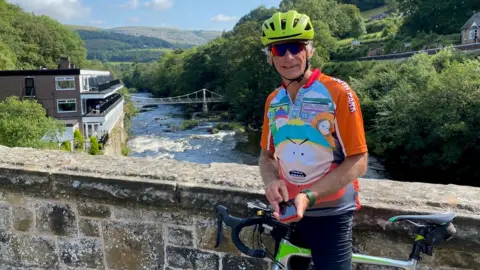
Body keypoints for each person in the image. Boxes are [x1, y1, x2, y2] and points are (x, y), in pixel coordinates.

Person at [258, 10, 369, 269]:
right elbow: (266, 157)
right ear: (270, 56)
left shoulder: (338, 92)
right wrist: (272, 180)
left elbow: (359, 159)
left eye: (295, 47)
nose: (288, 57)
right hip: (288, 213)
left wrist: (310, 196)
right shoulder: (273, 100)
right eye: (279, 49)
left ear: (309, 51)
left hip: (331, 214)